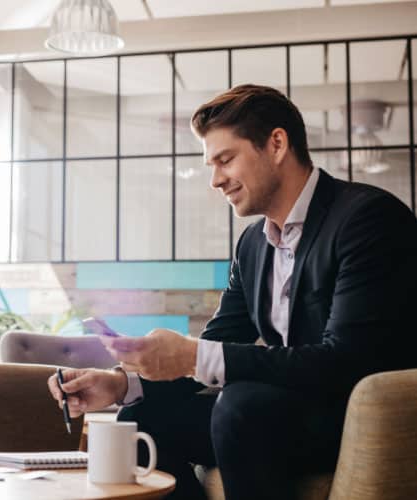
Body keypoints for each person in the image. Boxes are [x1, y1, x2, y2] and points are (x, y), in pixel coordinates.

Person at [48, 84, 417, 500]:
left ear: (277, 144)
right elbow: (222, 340)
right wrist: (121, 384)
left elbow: (344, 361)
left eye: (225, 160)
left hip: (351, 415)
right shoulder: (252, 244)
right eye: (211, 165)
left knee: (240, 406)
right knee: (143, 415)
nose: (215, 180)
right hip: (278, 415)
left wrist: (190, 355)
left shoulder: (366, 219)